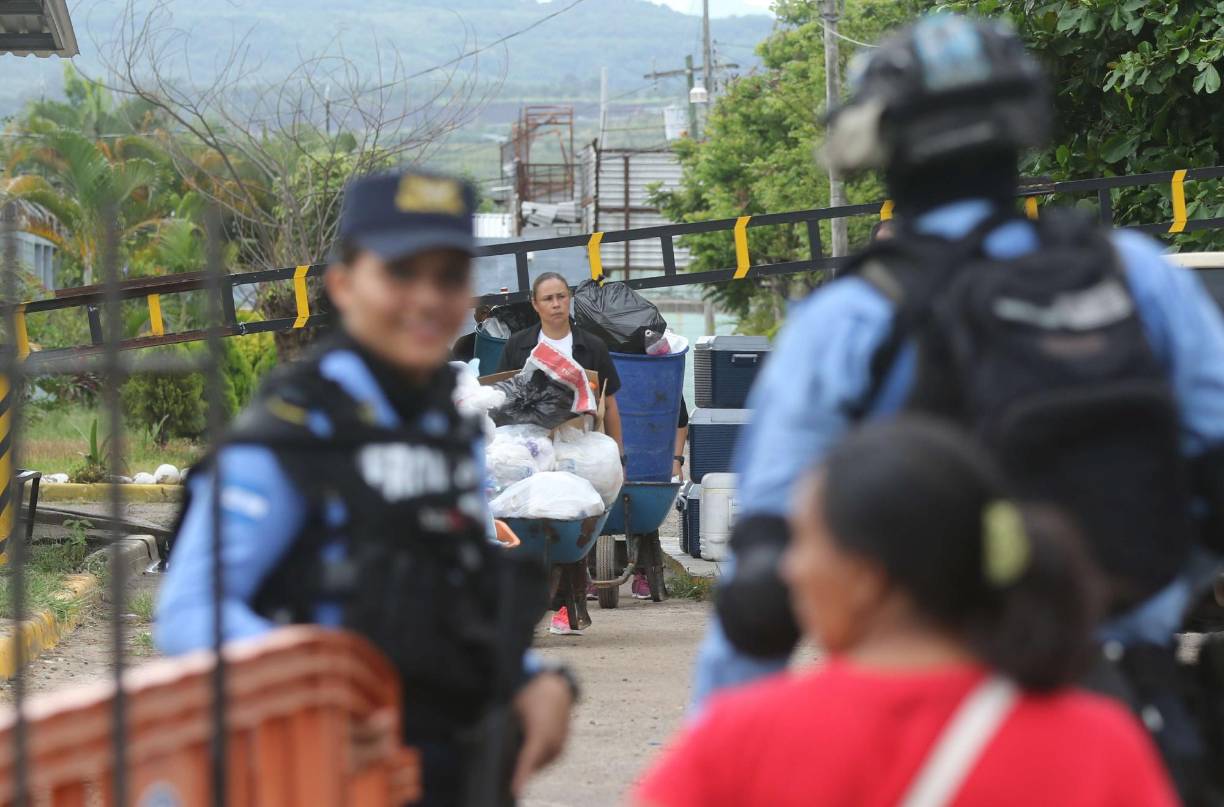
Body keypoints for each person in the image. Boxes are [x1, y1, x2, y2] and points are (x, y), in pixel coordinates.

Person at [698, 13, 1224, 796]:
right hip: (1124, 721)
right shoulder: (1134, 277)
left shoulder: (850, 319)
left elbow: (763, 588)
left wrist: (726, 757)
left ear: (881, 142)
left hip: (920, 734)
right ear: (1021, 122)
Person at [155, 170, 577, 806]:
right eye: (401, 273)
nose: (427, 298)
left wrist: (530, 679)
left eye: (448, 278)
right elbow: (189, 614)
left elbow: (445, 591)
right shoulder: (292, 432)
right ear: (345, 284)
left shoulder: (446, 430)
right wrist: (322, 692)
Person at [637, 418, 1178, 807]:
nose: (790, 570)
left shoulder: (741, 739)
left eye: (804, 541)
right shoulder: (1099, 743)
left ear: (869, 576)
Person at [498, 272, 630, 626]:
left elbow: (611, 405)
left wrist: (618, 457)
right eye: (548, 299)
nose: (556, 304)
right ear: (535, 305)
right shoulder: (519, 345)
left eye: (562, 296)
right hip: (531, 447)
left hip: (580, 445)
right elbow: (502, 400)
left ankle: (567, 602)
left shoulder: (592, 346)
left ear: (569, 299)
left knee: (573, 517)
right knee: (531, 517)